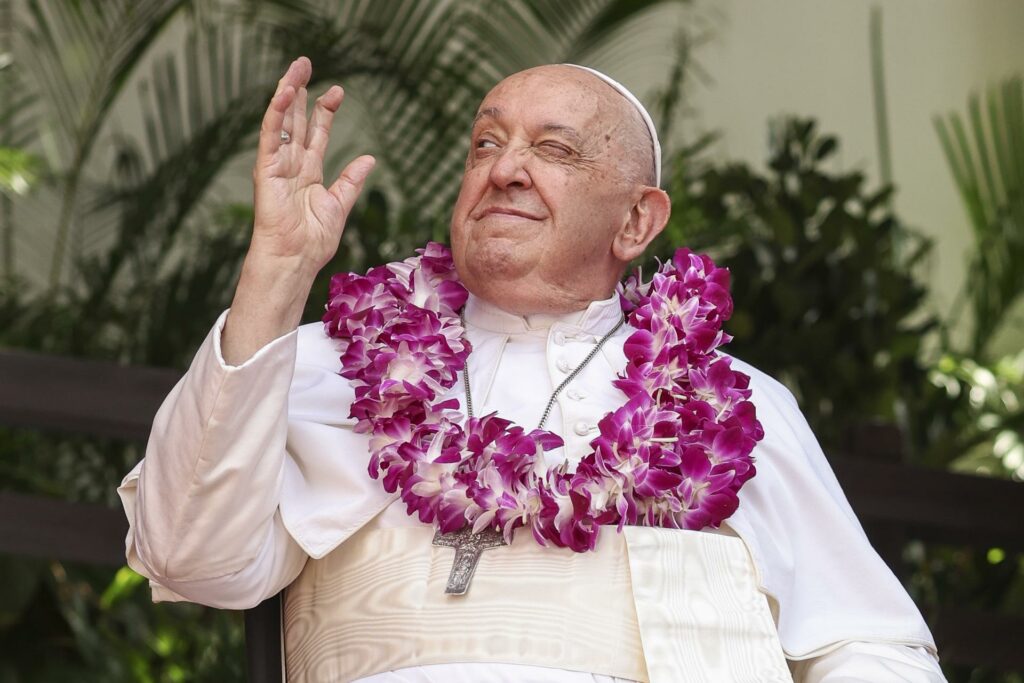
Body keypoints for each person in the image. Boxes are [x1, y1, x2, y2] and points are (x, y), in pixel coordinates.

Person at [118, 57, 946, 682]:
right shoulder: (329, 363)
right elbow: (188, 555)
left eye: (553, 149)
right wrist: (276, 270)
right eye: (486, 142)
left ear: (636, 219)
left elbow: (869, 644)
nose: (504, 168)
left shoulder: (727, 406)